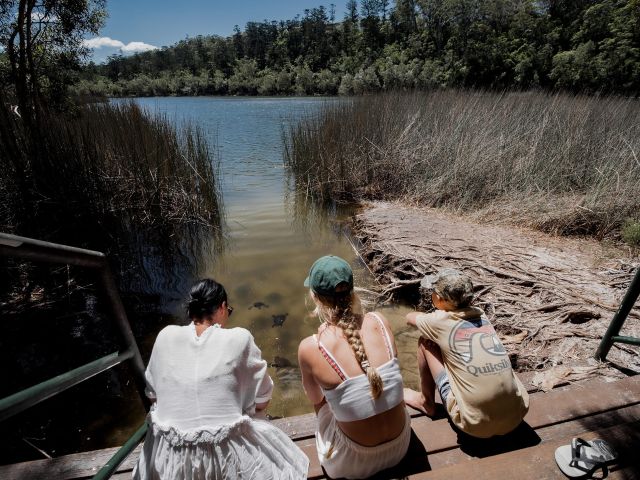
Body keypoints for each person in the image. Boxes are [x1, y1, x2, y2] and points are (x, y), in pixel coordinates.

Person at [133, 278, 309, 480]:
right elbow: (263, 401)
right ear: (222, 307)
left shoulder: (165, 336)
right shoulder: (239, 338)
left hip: (170, 463)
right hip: (225, 458)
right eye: (229, 310)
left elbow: (153, 397)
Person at [298, 255, 410, 479]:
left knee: (322, 402)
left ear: (316, 298)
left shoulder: (312, 347)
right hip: (400, 447)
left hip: (351, 464)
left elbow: (315, 398)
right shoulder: (380, 321)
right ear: (352, 290)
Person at [404, 268, 529, 438]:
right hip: (516, 415)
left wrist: (433, 316)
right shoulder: (481, 315)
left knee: (425, 343)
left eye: (433, 292)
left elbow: (409, 318)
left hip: (474, 424)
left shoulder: (439, 321)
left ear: (439, 299)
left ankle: (426, 402)